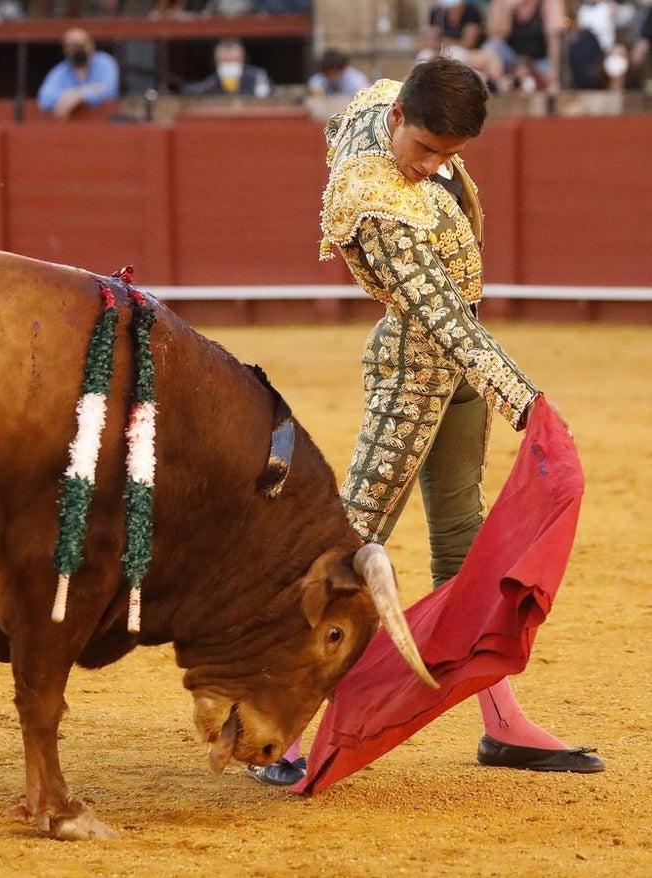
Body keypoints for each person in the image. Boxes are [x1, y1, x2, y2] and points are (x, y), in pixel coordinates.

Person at [248, 57, 605, 788]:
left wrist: (495, 387)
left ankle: (502, 724)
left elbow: (351, 113)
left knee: (462, 543)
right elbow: (440, 317)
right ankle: (279, 726)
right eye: (425, 150)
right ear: (399, 122)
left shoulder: (386, 102)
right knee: (352, 546)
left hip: (457, 367)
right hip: (418, 365)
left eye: (450, 156)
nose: (432, 168)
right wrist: (524, 399)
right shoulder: (375, 206)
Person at [36, 26, 118, 119]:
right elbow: (45, 99)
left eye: (81, 45)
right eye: (72, 46)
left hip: (104, 123)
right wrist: (89, 91)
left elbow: (109, 90)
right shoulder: (60, 71)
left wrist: (78, 95)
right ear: (65, 50)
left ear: (91, 45)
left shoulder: (105, 62)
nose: (78, 50)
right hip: (71, 126)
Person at [485, 0, 567, 92]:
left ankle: (523, 82)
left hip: (539, 62)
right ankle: (497, 86)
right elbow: (496, 36)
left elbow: (554, 41)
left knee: (536, 78)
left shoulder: (549, 3)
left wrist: (554, 78)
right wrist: (507, 10)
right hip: (511, 59)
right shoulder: (502, 2)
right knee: (492, 45)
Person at [421, 0, 505, 85]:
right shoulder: (437, 12)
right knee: (425, 55)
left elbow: (468, 43)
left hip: (468, 53)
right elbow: (429, 42)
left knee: (455, 53)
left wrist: (443, 42)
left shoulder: (471, 11)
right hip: (445, 52)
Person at [567, 0, 636, 90]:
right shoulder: (582, 9)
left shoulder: (609, 6)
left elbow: (627, 17)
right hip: (588, 51)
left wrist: (613, 8)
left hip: (607, 51)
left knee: (617, 58)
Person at [183, 38, 271, 97]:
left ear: (242, 59)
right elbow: (193, 90)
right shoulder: (213, 80)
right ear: (216, 62)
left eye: (232, 60)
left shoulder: (256, 76)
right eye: (224, 61)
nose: (228, 66)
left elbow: (265, 95)